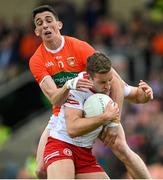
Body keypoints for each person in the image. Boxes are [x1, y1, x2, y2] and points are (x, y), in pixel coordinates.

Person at [29, 5, 152, 179]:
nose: (45, 25)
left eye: (49, 20)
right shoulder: (37, 59)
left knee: (121, 148)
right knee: (40, 170)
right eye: (39, 23)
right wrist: (68, 85)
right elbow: (56, 100)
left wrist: (114, 122)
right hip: (63, 114)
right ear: (36, 31)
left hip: (95, 108)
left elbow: (114, 80)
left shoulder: (79, 47)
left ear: (59, 25)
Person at [43, 52, 152, 179]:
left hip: (85, 153)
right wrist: (105, 117)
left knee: (122, 148)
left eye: (109, 80)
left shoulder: (110, 83)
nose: (107, 86)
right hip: (61, 145)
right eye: (102, 82)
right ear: (89, 78)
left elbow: (136, 95)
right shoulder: (78, 87)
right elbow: (72, 129)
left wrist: (146, 95)